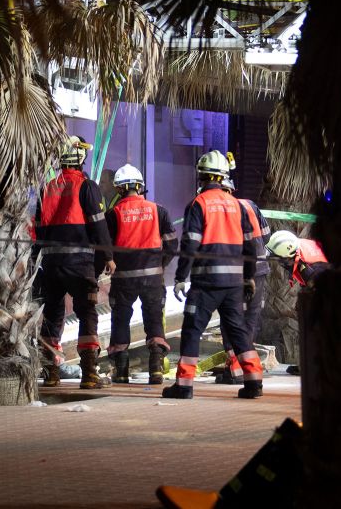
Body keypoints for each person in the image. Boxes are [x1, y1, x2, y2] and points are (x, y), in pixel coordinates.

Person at [165, 150, 263, 399]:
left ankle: (184, 386)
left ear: (201, 177)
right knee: (238, 331)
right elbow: (251, 245)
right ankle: (254, 383)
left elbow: (190, 244)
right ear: (223, 176)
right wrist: (249, 277)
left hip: (205, 284)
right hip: (233, 284)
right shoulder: (237, 205)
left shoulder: (198, 204)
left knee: (192, 330)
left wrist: (180, 278)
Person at [35, 135, 115, 389]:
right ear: (80, 156)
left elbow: (37, 230)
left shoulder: (47, 187)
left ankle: (50, 374)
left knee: (52, 315)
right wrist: (108, 257)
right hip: (79, 262)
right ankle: (90, 374)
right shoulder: (87, 186)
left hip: (50, 264)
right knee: (87, 312)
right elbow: (98, 224)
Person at [105, 164, 178, 384]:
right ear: (140, 187)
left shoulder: (113, 213)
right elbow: (172, 245)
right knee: (154, 319)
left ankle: (121, 370)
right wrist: (160, 264)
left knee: (120, 321)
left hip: (123, 279)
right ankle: (155, 369)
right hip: (153, 278)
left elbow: (105, 247)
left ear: (119, 190)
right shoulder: (159, 210)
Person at [216, 177, 272, 385]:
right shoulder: (250, 205)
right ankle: (247, 368)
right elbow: (266, 237)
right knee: (251, 317)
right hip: (258, 270)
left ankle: (235, 367)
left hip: (232, 273)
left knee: (230, 317)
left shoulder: (215, 211)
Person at [266, 229, 330, 376]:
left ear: (286, 255)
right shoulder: (297, 250)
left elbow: (320, 288)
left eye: (278, 258)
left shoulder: (310, 266)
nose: (278, 263)